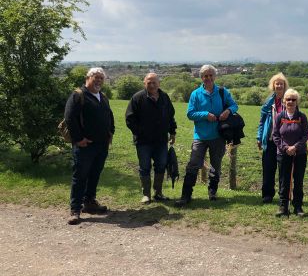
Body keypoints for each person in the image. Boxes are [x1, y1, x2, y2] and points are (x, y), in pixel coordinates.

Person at [175, 64, 238, 206]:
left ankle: (212, 192)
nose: (208, 78)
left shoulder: (222, 92)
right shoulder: (195, 94)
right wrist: (205, 115)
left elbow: (234, 105)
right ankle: (186, 196)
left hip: (218, 136)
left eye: (211, 75)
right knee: (193, 165)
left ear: (215, 76)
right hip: (200, 137)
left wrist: (228, 111)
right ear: (201, 77)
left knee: (216, 166)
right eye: (205, 76)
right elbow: (190, 114)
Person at [64, 67, 115, 225]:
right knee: (80, 176)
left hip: (101, 145)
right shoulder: (78, 95)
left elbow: (109, 115)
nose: (99, 80)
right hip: (85, 146)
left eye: (101, 78)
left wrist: (110, 132)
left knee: (94, 175)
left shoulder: (102, 96)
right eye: (96, 77)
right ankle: (75, 210)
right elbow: (70, 118)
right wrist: (79, 139)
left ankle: (90, 202)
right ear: (88, 78)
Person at [125, 73, 177, 204]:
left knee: (161, 166)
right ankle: (146, 195)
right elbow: (129, 119)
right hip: (143, 142)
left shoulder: (164, 97)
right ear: (145, 83)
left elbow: (171, 116)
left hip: (161, 141)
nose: (152, 85)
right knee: (144, 167)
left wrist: (172, 132)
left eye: (154, 82)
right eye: (149, 82)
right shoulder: (137, 98)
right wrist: (139, 132)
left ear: (159, 83)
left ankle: (158, 193)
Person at [272, 89, 308, 217]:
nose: (290, 102)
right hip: (283, 154)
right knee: (284, 180)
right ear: (284, 101)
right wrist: (286, 148)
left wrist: (295, 147)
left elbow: (305, 135)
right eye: (288, 99)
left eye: (293, 99)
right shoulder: (279, 117)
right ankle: (283, 206)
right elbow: (275, 135)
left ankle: (298, 206)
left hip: (300, 154)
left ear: (297, 101)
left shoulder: (302, 117)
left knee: (298, 180)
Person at [257, 72, 289, 204]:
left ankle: (284, 195)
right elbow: (261, 121)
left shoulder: (289, 99)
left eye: (281, 83)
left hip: (284, 141)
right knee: (268, 168)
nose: (279, 86)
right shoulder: (268, 102)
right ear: (273, 86)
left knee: (284, 170)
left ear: (284, 85)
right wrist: (259, 137)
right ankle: (267, 195)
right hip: (270, 140)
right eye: (277, 83)